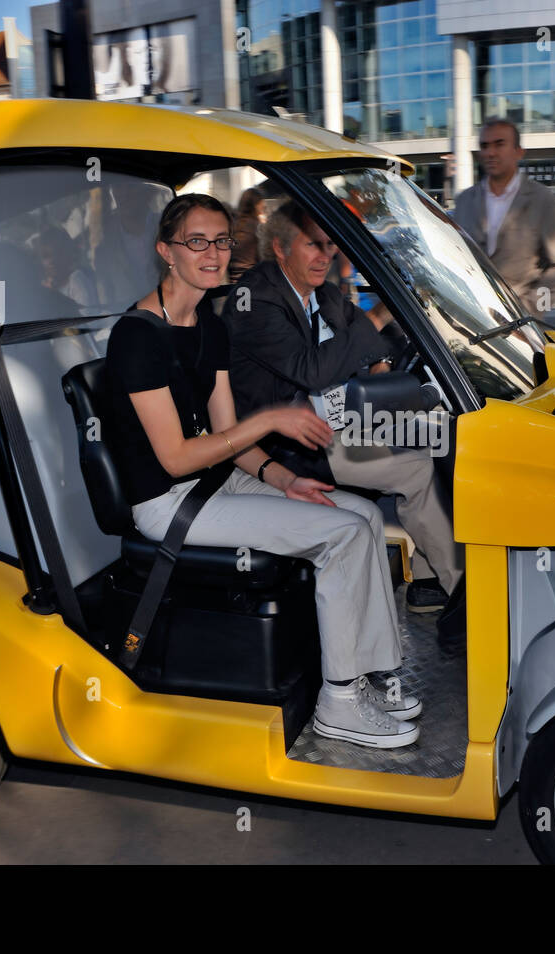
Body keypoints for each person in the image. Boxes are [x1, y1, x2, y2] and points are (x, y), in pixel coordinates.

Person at [104, 193, 420, 748]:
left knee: (364, 515)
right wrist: (271, 417)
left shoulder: (210, 323)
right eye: (196, 242)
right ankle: (337, 701)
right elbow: (176, 457)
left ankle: (369, 674)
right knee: (341, 535)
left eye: (222, 241)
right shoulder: (136, 337)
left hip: (219, 482)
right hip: (169, 503)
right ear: (166, 252)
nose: (213, 253)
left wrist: (282, 478)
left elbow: (230, 439)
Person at [223, 200, 464, 614]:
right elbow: (312, 370)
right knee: (416, 468)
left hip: (344, 419)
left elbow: (365, 336)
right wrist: (381, 317)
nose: (326, 255)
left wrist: (381, 363)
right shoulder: (256, 302)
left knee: (442, 436)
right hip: (291, 443)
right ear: (280, 248)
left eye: (330, 244)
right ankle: (463, 594)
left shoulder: (323, 294)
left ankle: (429, 582)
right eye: (313, 245)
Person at [452, 119, 555, 315]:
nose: (490, 152)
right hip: (467, 318)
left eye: (499, 144)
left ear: (519, 151)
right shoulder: (465, 200)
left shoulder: (543, 200)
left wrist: (533, 311)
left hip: (520, 326)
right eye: (484, 146)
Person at [228, 187, 266, 283]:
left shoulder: (233, 226)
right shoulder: (256, 226)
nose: (264, 205)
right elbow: (263, 257)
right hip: (253, 281)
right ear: (256, 205)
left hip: (233, 283)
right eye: (261, 202)